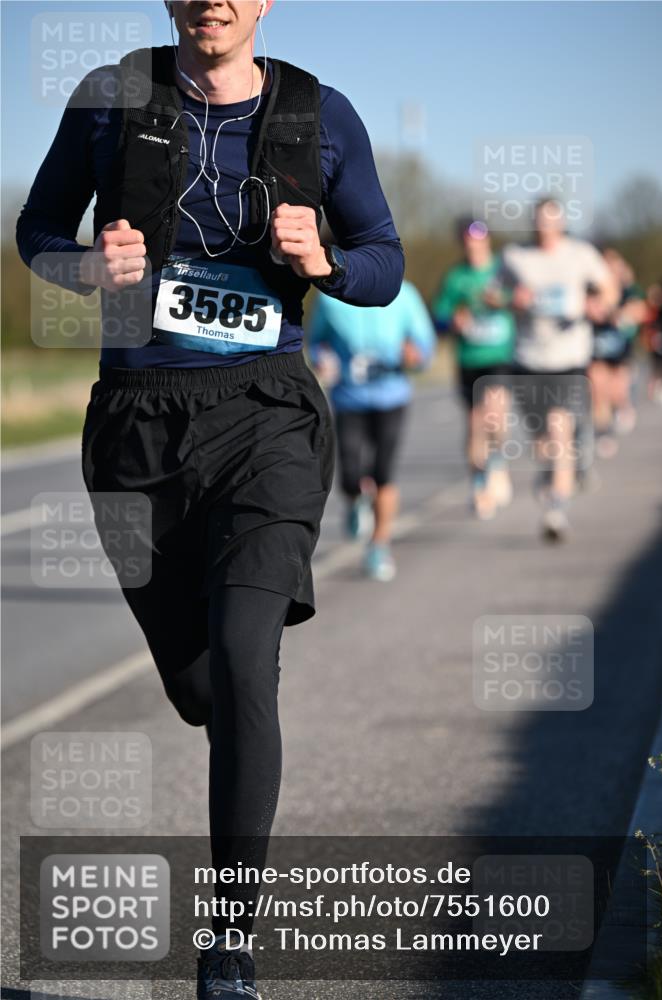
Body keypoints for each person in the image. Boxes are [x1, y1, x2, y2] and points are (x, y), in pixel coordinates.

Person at [16, 2, 403, 996]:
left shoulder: (325, 115)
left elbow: (383, 260)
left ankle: (228, 944)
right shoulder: (111, 98)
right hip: (136, 425)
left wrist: (321, 260)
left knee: (242, 664)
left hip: (267, 411)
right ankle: (222, 704)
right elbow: (36, 231)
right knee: (199, 688)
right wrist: (82, 267)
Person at [500, 198, 617, 542]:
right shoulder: (515, 256)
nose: (545, 227)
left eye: (552, 221)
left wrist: (600, 305)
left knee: (560, 429)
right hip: (527, 359)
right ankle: (551, 475)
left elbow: (609, 288)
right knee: (543, 442)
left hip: (569, 359)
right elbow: (492, 294)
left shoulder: (580, 254)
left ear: (562, 223)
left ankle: (556, 511)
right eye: (540, 221)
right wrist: (511, 299)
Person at [309, 280, 435, 581]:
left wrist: (414, 356)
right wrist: (321, 360)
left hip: (392, 397)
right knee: (350, 473)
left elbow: (424, 344)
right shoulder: (331, 295)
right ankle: (355, 499)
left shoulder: (404, 294)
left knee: (384, 472)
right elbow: (316, 340)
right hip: (349, 398)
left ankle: (379, 545)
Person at [432, 219, 515, 520]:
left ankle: (497, 460)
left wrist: (503, 302)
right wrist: (453, 320)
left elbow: (523, 302)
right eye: (468, 242)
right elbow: (439, 317)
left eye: (479, 241)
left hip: (500, 355)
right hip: (469, 358)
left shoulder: (504, 271)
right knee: (475, 422)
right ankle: (479, 481)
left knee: (494, 412)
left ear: (488, 241)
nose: (474, 247)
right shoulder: (455, 278)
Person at [588, 248, 646, 457]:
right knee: (597, 388)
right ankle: (603, 432)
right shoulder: (592, 291)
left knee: (617, 390)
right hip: (597, 350)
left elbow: (639, 310)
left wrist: (620, 314)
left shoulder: (628, 291)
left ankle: (622, 406)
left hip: (621, 351)